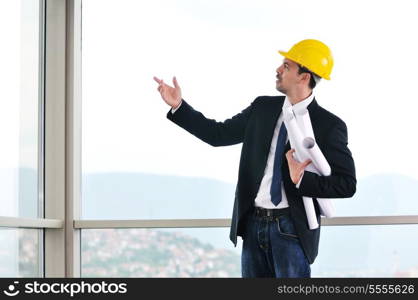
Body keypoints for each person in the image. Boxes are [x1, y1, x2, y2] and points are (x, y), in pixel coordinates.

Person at [154, 39, 356, 278]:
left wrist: (301, 180)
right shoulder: (262, 108)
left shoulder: (329, 126)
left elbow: (346, 184)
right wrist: (179, 106)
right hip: (253, 226)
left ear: (304, 77)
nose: (278, 70)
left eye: (287, 66)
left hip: (291, 230)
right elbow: (217, 134)